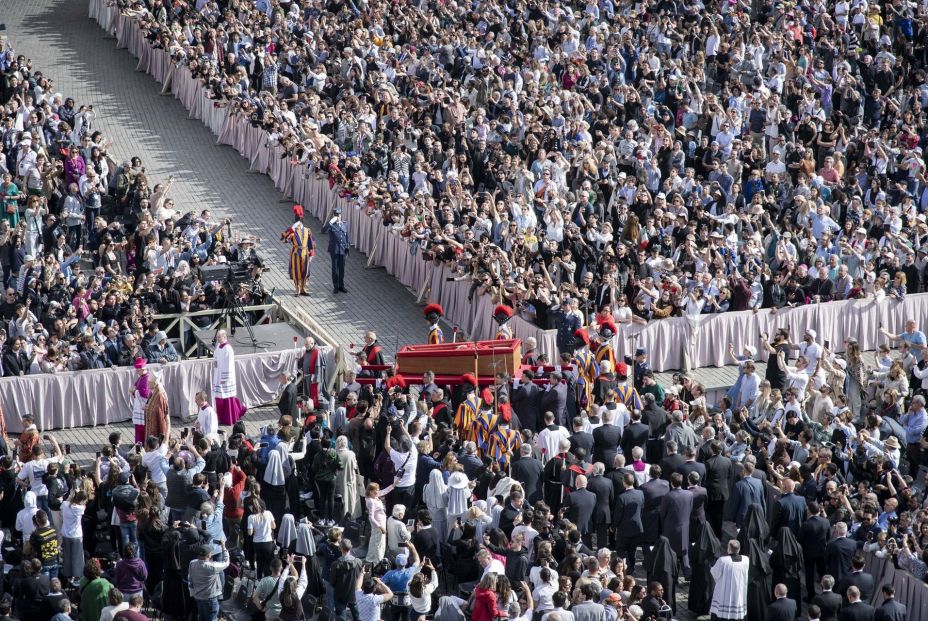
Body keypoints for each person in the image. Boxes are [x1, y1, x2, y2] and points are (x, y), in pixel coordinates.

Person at [212, 329, 246, 425]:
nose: (217, 339)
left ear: (224, 336)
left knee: (226, 399)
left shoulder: (228, 349)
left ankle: (229, 417)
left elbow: (229, 365)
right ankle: (220, 416)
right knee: (219, 399)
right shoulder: (218, 346)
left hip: (225, 377)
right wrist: (215, 363)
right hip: (218, 374)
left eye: (219, 337)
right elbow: (216, 356)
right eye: (217, 337)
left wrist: (224, 378)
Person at [710, 540, 750, 621]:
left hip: (724, 593)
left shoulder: (723, 561)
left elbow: (714, 573)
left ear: (728, 549)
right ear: (739, 549)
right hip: (739, 591)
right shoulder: (746, 560)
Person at [280, 204, 315, 296]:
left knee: (305, 271)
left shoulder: (307, 230)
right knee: (296, 271)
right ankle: (297, 289)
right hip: (296, 253)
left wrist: (311, 253)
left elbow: (311, 243)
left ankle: (303, 288)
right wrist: (290, 231)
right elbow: (284, 239)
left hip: (305, 253)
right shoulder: (292, 230)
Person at [321, 206, 349, 294]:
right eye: (336, 215)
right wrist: (330, 222)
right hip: (335, 250)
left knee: (342, 269)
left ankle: (341, 286)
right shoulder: (331, 225)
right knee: (335, 269)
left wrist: (347, 247)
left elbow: (346, 236)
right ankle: (336, 286)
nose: (338, 216)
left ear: (341, 215)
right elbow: (323, 230)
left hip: (343, 250)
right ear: (334, 216)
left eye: (339, 215)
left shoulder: (344, 224)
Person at [129, 358, 151, 444]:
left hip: (142, 407)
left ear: (142, 369)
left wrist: (135, 391)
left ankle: (141, 443)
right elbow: (136, 386)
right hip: (139, 406)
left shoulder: (146, 378)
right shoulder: (142, 377)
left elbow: (146, 394)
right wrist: (133, 389)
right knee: (138, 427)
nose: (136, 372)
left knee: (141, 428)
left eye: (138, 370)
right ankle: (138, 443)